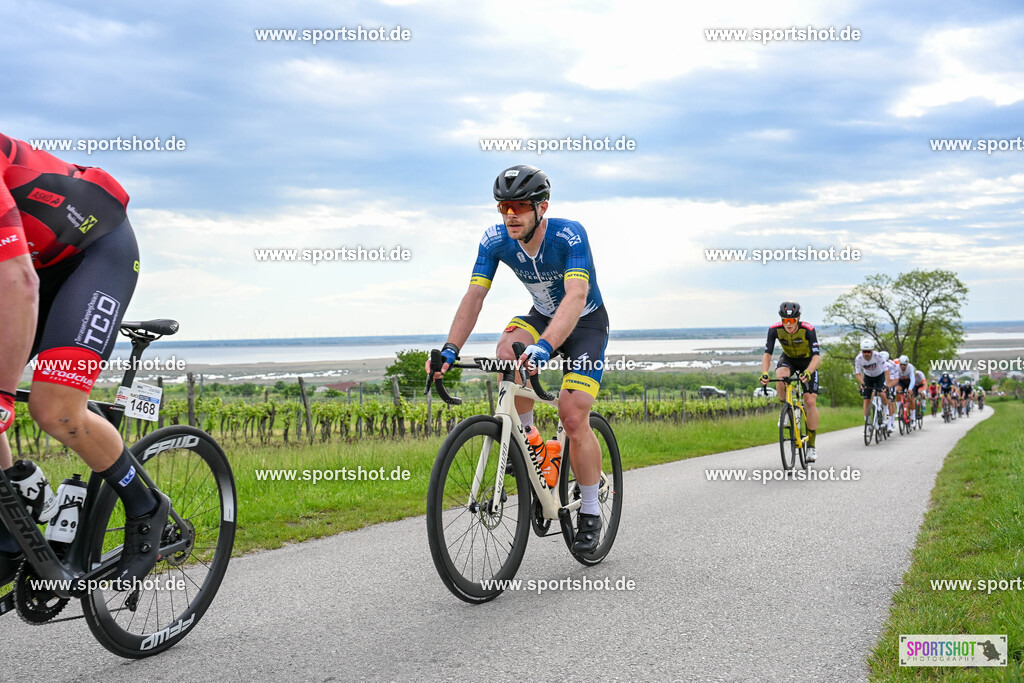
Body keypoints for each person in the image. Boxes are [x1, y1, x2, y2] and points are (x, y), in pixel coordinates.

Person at [0, 132, 167, 588]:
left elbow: (17, 283)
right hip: (32, 263)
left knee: (53, 409)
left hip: (96, 250)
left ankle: (146, 508)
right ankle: (16, 516)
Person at [428, 165, 608, 553]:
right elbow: (474, 296)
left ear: (541, 207)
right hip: (542, 315)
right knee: (507, 350)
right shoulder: (495, 240)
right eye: (503, 206)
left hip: (586, 324)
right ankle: (529, 440)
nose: (510, 214)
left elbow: (576, 297)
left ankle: (590, 510)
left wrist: (545, 347)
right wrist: (449, 350)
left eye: (519, 206)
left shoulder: (569, 234)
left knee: (573, 413)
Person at [759, 302, 821, 462]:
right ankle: (785, 410)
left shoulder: (808, 329)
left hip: (808, 362)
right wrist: (764, 373)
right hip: (789, 360)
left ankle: (812, 447)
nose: (788, 324)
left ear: (798, 319)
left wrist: (808, 372)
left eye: (791, 321)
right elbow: (767, 354)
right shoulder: (774, 329)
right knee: (781, 376)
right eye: (785, 320)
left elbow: (816, 357)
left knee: (810, 401)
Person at [854, 338, 890, 426]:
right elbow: (858, 373)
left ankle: (885, 412)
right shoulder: (858, 358)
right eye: (864, 352)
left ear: (872, 351)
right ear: (861, 351)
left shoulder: (878, 356)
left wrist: (887, 385)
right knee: (866, 399)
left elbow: (886, 371)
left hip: (879, 376)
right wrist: (862, 383)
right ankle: (868, 423)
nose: (866, 354)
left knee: (882, 394)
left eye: (869, 352)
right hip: (868, 377)